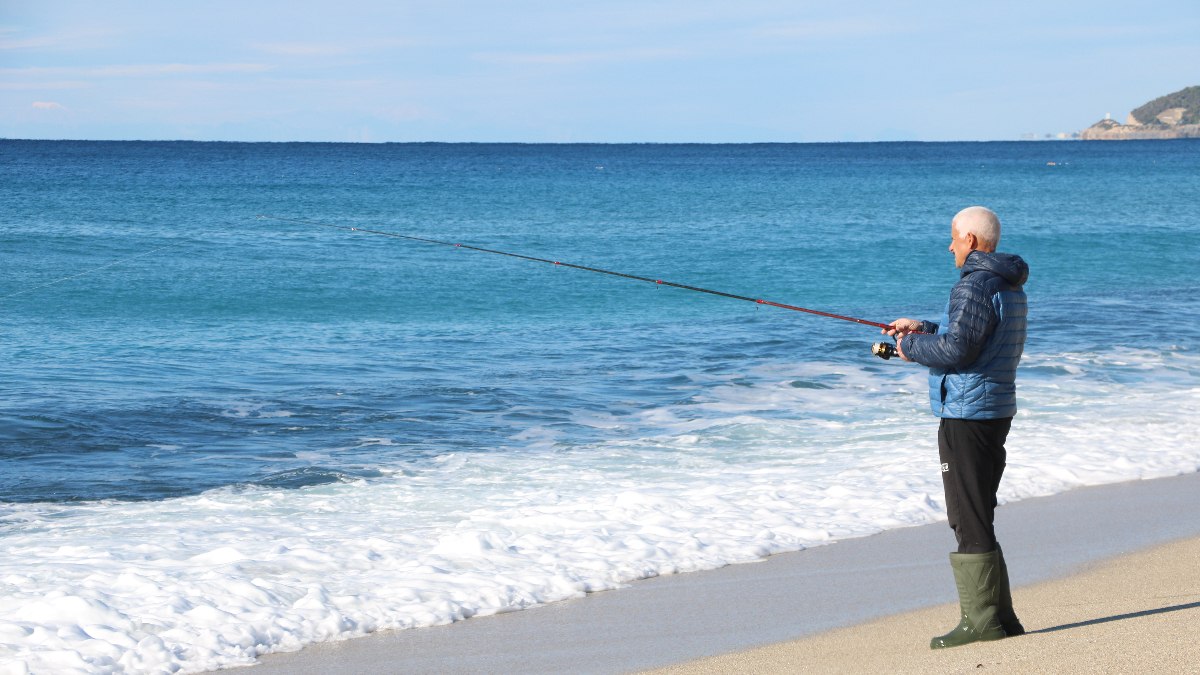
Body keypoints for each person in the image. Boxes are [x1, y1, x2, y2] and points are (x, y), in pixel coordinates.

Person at [884, 206, 1029, 649]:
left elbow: (958, 349)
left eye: (952, 238)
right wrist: (922, 328)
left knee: (966, 516)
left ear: (969, 239)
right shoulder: (1004, 282)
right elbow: (972, 334)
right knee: (978, 511)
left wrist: (911, 348)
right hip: (993, 409)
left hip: (967, 414)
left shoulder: (974, 284)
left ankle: (980, 622)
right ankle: (1002, 617)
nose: (949, 246)